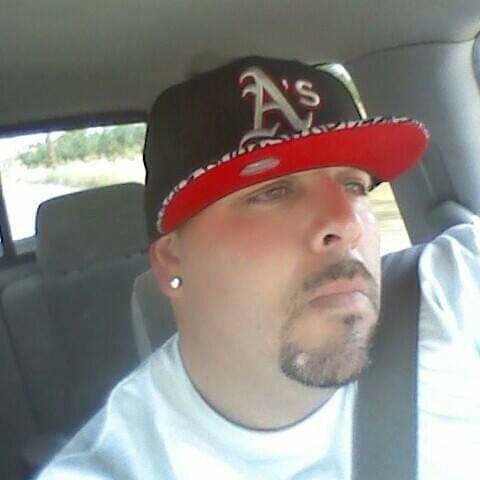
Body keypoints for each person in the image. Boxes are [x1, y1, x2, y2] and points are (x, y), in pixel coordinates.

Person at [37, 56, 480, 479]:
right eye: (272, 191)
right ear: (173, 258)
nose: (347, 224)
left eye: (353, 185)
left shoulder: (452, 290)